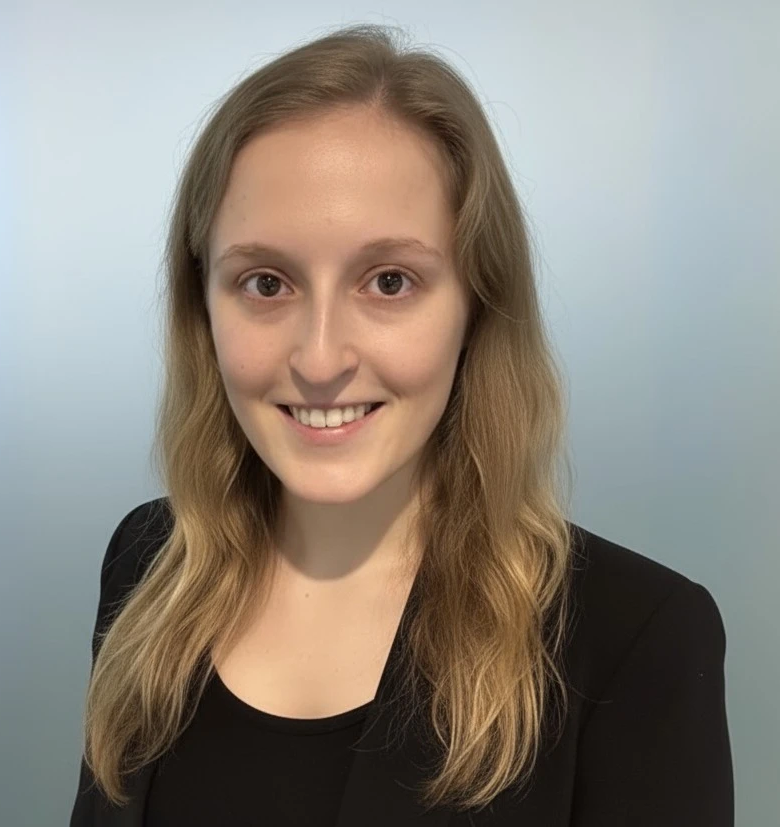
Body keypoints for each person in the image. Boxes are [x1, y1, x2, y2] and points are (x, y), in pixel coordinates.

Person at [69, 23, 734, 827]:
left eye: (388, 280)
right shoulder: (149, 566)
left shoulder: (635, 641)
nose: (319, 358)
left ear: (476, 308)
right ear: (200, 305)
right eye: (265, 282)